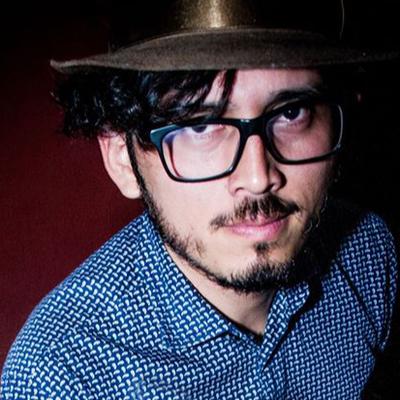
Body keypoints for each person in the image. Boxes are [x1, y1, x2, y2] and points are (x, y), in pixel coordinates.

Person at [1, 0, 399, 398]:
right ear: (123, 158)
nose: (258, 178)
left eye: (291, 113)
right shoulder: (59, 378)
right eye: (200, 126)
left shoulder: (368, 253)